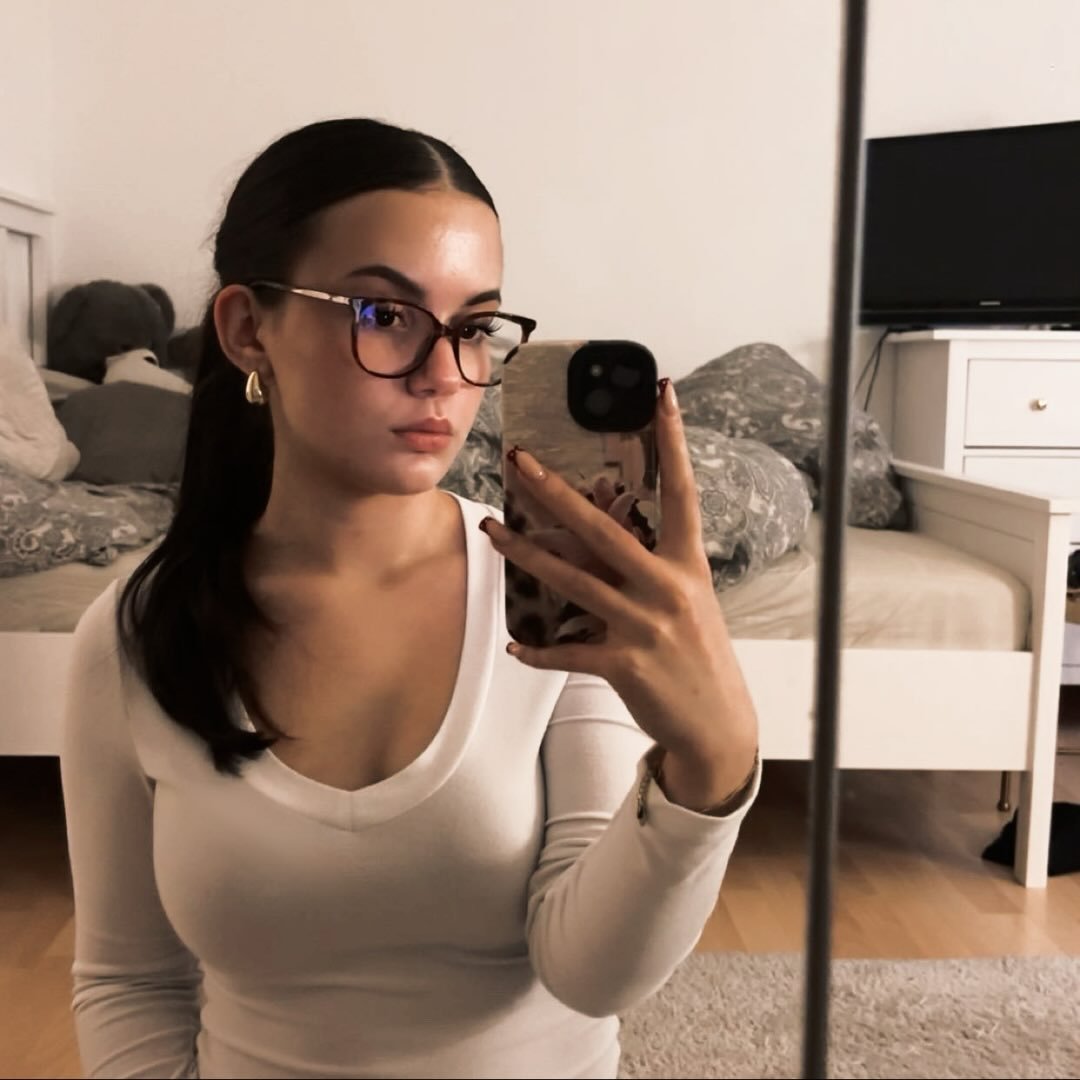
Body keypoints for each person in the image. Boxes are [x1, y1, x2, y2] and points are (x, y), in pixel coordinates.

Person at [59, 117, 760, 1080]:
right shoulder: (135, 636)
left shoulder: (549, 592)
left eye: (474, 328)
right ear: (248, 329)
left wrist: (709, 766)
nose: (443, 375)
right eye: (385, 314)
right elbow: (127, 982)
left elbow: (592, 974)